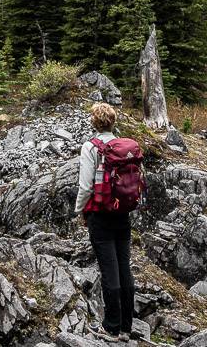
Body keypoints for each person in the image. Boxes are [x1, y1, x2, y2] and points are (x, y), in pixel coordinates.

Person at [75, 102, 137, 341]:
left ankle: (111, 327)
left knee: (108, 269)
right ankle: (126, 327)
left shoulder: (90, 147)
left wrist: (79, 210)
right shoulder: (123, 147)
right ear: (113, 121)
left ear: (93, 122)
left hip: (100, 215)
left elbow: (85, 186)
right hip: (123, 213)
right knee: (124, 266)